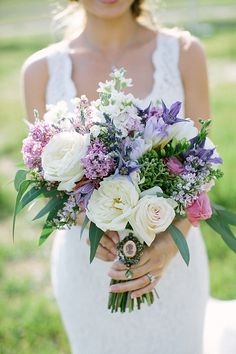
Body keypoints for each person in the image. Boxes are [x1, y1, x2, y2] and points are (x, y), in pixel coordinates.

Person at [21, 1, 220, 353]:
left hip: (172, 265)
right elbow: (44, 182)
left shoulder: (185, 54)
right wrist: (86, 222)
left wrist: (171, 245)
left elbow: (202, 169)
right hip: (88, 267)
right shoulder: (39, 71)